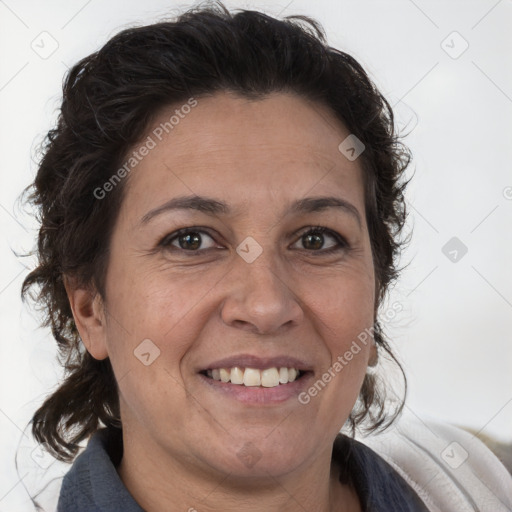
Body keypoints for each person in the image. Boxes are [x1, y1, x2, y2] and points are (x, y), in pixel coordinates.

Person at [20, 1, 512, 511]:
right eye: (191, 240)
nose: (266, 305)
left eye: (317, 239)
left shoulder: (478, 482)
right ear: (89, 308)